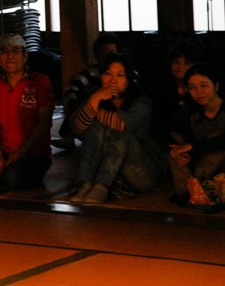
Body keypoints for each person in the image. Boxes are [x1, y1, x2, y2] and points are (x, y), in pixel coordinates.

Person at [69, 53, 166, 204]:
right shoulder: (96, 98)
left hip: (142, 171)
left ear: (129, 80)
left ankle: (101, 186)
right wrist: (94, 99)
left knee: (118, 129)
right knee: (95, 126)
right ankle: (85, 183)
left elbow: (124, 124)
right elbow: (77, 129)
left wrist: (94, 111)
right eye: (108, 74)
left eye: (120, 75)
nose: (113, 80)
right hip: (112, 170)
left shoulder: (142, 101)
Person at [0, 33, 54, 192]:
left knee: (12, 180)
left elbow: (45, 122)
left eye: (15, 50)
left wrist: (22, 150)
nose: (10, 55)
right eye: (4, 51)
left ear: (25, 56)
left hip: (34, 151)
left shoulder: (40, 81)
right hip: (5, 150)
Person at [163, 62, 225, 209]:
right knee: (175, 142)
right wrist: (177, 152)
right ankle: (192, 190)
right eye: (192, 87)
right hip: (203, 167)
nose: (198, 92)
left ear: (216, 86)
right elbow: (164, 133)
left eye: (204, 85)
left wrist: (192, 147)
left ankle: (191, 189)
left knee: (218, 136)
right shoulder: (192, 110)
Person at [52, 32, 121, 152]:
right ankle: (69, 137)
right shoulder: (90, 73)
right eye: (104, 54)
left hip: (116, 114)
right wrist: (75, 106)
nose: (109, 58)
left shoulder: (126, 72)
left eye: (113, 54)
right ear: (97, 56)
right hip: (90, 115)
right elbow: (71, 91)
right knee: (81, 100)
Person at [151, 41, 204, 140]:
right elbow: (157, 121)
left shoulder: (202, 90)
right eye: (176, 62)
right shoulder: (162, 90)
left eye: (186, 63)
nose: (180, 67)